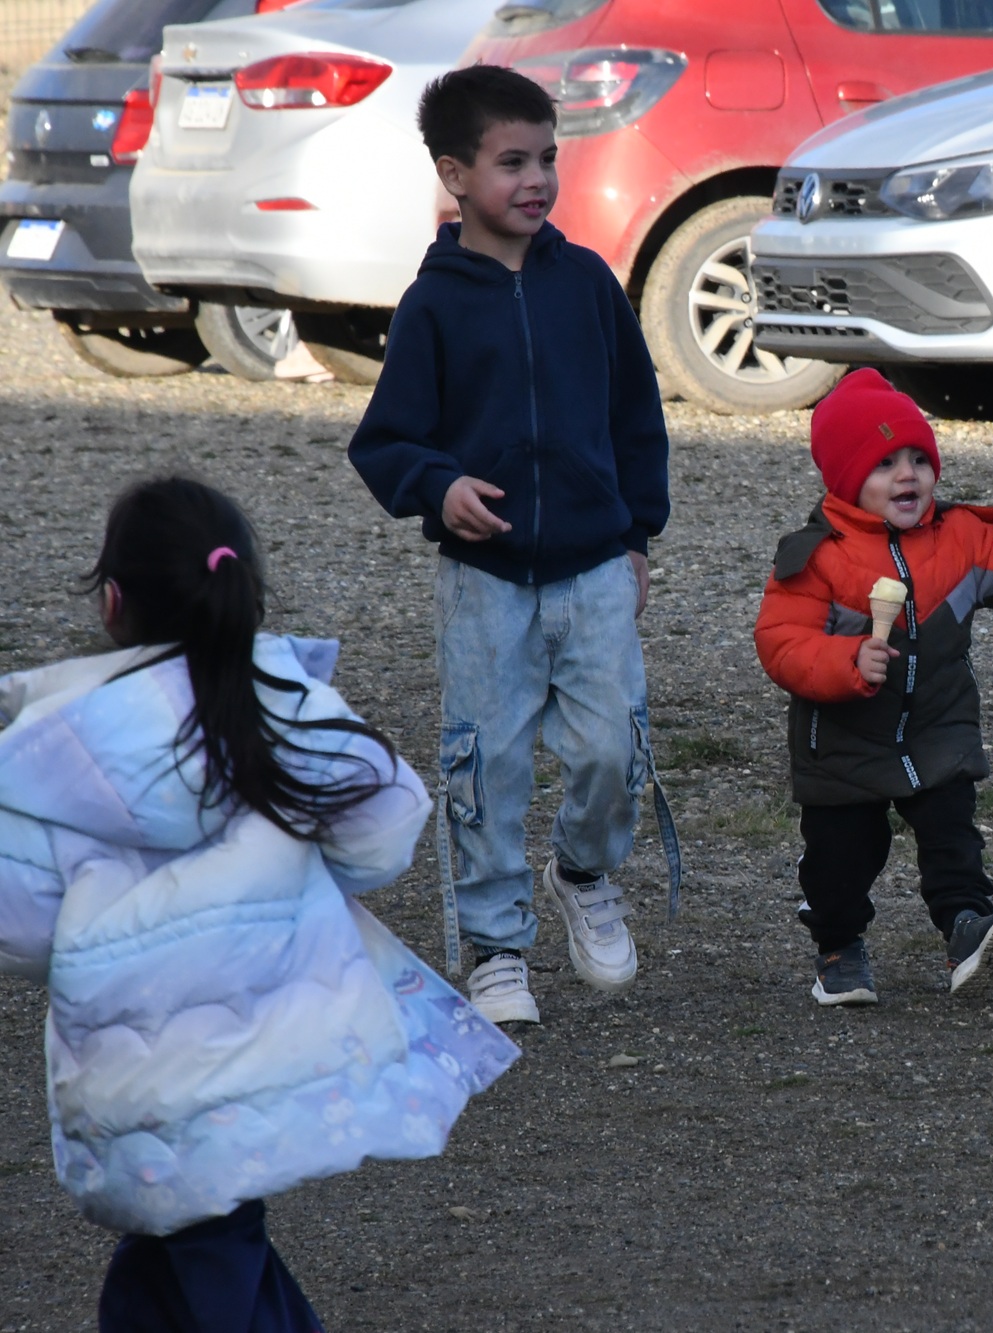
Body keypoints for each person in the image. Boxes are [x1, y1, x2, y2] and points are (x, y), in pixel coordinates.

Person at [0, 477, 517, 1330]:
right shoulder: (283, 703)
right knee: (194, 1251)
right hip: (279, 1062)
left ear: (112, 602)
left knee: (196, 1256)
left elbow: (18, 927)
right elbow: (387, 823)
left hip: (132, 1078)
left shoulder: (56, 744)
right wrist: (302, 883)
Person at [347, 65, 674, 1026]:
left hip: (596, 566)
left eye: (548, 158)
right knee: (486, 766)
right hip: (485, 585)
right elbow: (386, 441)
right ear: (455, 174)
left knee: (612, 746)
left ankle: (583, 871)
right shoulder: (434, 305)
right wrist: (439, 486)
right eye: (511, 163)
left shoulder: (587, 286)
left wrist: (638, 535)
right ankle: (497, 945)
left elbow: (635, 412)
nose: (536, 180)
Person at [755, 369, 993, 1005]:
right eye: (885, 464)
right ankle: (839, 948)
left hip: (936, 730)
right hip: (843, 746)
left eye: (918, 459)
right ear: (844, 478)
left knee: (953, 838)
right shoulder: (816, 557)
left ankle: (966, 931)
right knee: (842, 861)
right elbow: (781, 642)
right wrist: (845, 662)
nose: (908, 476)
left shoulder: (961, 537)